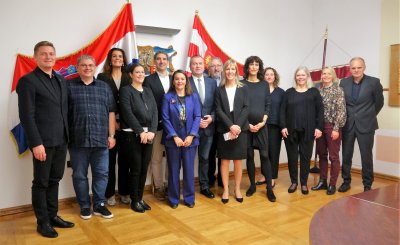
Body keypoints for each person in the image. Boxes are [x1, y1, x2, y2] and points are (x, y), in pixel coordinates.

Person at [17, 41, 74, 238]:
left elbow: (63, 111)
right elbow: (26, 116)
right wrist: (35, 143)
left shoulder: (60, 80)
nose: (48, 57)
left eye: (51, 53)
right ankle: (42, 222)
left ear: (55, 56)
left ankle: (53, 215)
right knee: (41, 182)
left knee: (54, 180)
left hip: (61, 140)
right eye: (43, 54)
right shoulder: (28, 81)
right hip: (42, 142)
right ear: (35, 57)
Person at [68, 55, 116, 220]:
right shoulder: (68, 86)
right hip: (77, 140)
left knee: (102, 174)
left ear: (95, 67)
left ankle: (99, 205)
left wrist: (111, 135)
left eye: (90, 65)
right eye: (83, 65)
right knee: (79, 175)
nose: (87, 68)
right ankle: (84, 206)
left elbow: (111, 112)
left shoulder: (104, 87)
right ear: (77, 67)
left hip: (101, 140)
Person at [338, 57, 384, 192]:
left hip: (367, 124)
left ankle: (367, 184)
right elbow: (342, 104)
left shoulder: (374, 82)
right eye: (353, 68)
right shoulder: (344, 82)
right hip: (348, 124)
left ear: (364, 67)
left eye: (359, 67)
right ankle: (346, 181)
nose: (356, 70)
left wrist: (368, 115)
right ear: (350, 69)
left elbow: (379, 103)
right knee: (346, 155)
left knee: (366, 156)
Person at [119, 63, 158, 213]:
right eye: (137, 72)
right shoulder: (126, 91)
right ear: (131, 74)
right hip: (132, 134)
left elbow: (155, 112)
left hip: (148, 135)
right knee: (135, 168)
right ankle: (134, 200)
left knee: (144, 168)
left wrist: (152, 131)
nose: (141, 74)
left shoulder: (148, 91)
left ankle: (140, 198)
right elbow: (127, 113)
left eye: (143, 72)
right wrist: (140, 131)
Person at [280, 66, 324, 195]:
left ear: (308, 77)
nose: (300, 77)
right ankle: (294, 182)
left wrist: (319, 127)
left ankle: (304, 183)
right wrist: (283, 126)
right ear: (295, 77)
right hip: (290, 131)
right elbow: (282, 111)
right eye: (298, 75)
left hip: (308, 131)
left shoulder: (314, 92)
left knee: (305, 158)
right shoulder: (289, 92)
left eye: (303, 75)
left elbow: (320, 111)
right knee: (292, 158)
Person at [162, 70, 201, 209]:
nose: (179, 81)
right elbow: (165, 118)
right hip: (173, 140)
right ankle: (173, 199)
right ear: (173, 81)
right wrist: (174, 136)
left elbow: (197, 117)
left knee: (189, 169)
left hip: (190, 138)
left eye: (182, 79)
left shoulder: (193, 97)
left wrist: (191, 135)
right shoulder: (167, 97)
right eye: (177, 79)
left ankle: (189, 198)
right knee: (173, 170)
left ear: (186, 81)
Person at [97, 48, 131, 206]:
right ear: (110, 60)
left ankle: (124, 192)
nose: (117, 58)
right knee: (109, 162)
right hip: (107, 126)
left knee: (125, 161)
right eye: (114, 56)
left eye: (120, 56)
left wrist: (122, 122)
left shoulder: (129, 77)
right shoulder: (102, 77)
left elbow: (132, 102)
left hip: (127, 126)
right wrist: (113, 123)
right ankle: (109, 193)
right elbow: (100, 102)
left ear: (124, 60)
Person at [241, 56, 276, 202]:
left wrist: (263, 122)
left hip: (262, 126)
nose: (254, 67)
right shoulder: (241, 84)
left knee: (265, 156)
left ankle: (269, 188)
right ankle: (252, 186)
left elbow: (268, 105)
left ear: (259, 67)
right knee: (249, 156)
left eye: (256, 64)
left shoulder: (264, 84)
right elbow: (239, 106)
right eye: (251, 64)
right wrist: (247, 124)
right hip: (246, 126)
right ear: (247, 67)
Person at [215, 59, 249, 204]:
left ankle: (237, 189)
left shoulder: (243, 88)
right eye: (227, 69)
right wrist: (230, 126)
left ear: (236, 71)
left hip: (240, 130)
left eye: (232, 69)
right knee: (224, 160)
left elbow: (246, 108)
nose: (230, 72)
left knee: (237, 161)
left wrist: (237, 126)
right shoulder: (219, 89)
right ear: (224, 71)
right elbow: (218, 110)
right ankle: (226, 190)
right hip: (225, 129)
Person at [311, 67, 346, 195]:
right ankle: (322, 181)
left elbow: (341, 111)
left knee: (333, 156)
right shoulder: (317, 90)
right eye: (323, 73)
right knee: (322, 155)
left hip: (332, 127)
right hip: (320, 127)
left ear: (333, 76)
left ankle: (332, 184)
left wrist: (336, 128)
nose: (325, 76)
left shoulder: (338, 90)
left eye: (328, 74)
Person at [143, 51, 171, 201]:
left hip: (174, 127)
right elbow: (148, 104)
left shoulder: (175, 78)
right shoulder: (149, 80)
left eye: (164, 59)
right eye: (158, 59)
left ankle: (170, 184)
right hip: (158, 125)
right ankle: (159, 186)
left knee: (172, 157)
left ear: (168, 61)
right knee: (156, 157)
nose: (161, 61)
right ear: (154, 62)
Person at [189, 55, 217, 199]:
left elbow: (217, 104)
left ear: (203, 66)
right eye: (194, 64)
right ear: (190, 66)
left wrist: (212, 117)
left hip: (208, 128)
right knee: (188, 159)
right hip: (190, 129)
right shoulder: (184, 82)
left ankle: (205, 186)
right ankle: (188, 188)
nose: (198, 66)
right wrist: (196, 120)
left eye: (200, 63)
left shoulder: (212, 83)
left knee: (205, 158)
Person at [256, 67, 285, 189]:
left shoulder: (281, 92)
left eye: (271, 74)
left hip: (275, 126)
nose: (269, 76)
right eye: (266, 74)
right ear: (263, 76)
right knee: (263, 153)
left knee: (273, 152)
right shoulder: (260, 91)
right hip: (262, 125)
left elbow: (283, 111)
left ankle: (272, 177)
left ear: (275, 77)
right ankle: (264, 175)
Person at [207, 57, 223, 187]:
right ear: (208, 68)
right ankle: (210, 178)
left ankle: (223, 179)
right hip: (210, 123)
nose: (216, 68)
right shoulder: (205, 81)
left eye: (218, 65)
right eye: (213, 66)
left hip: (224, 123)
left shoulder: (227, 81)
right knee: (210, 153)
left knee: (223, 152)